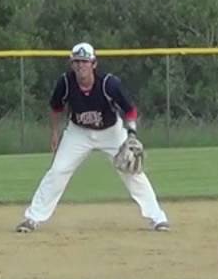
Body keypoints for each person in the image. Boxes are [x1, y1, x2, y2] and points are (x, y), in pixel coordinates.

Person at [15, 42, 170, 233]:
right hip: (78, 133)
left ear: (94, 64)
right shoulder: (65, 83)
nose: (80, 65)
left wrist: (131, 134)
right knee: (58, 171)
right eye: (77, 61)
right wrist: (54, 132)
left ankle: (157, 218)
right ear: (72, 64)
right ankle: (32, 218)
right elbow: (56, 108)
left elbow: (130, 110)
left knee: (132, 172)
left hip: (110, 132)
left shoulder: (109, 84)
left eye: (84, 61)